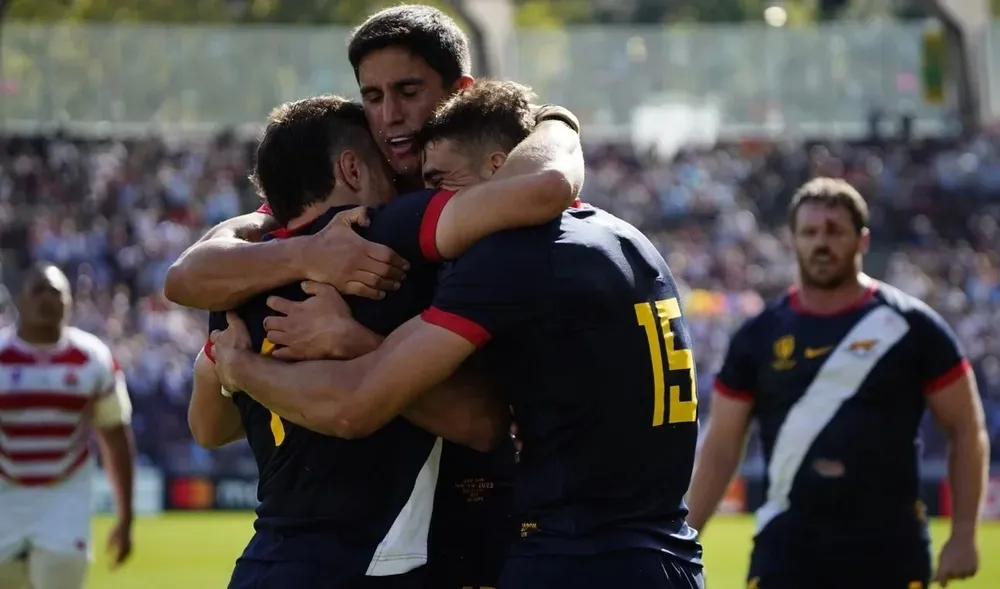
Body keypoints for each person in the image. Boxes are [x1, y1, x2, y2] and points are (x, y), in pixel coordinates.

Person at [209, 80, 705, 589]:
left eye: (442, 180)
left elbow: (357, 402)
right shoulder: (627, 237)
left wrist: (247, 367)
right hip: (672, 554)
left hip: (577, 556)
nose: (430, 198)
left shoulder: (513, 255)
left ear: (499, 170)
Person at [168, 6, 582, 589]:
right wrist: (306, 261)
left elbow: (208, 416)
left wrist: (249, 362)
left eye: (409, 91)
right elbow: (185, 278)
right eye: (373, 97)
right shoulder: (372, 223)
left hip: (476, 509)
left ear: (460, 92)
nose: (391, 116)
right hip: (395, 543)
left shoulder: (460, 194)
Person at [685, 177, 990, 589]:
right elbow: (722, 446)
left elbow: (966, 428)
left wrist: (965, 533)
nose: (821, 243)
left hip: (889, 549)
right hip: (787, 546)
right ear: (793, 240)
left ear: (862, 240)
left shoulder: (915, 327)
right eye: (810, 232)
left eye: (834, 231)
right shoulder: (758, 336)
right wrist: (684, 543)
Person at [0, 264, 135, 589]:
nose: (47, 298)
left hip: (64, 498)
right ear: (20, 300)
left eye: (55, 291)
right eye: (38, 290)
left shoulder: (93, 358)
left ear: (70, 301)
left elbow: (115, 437)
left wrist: (126, 517)